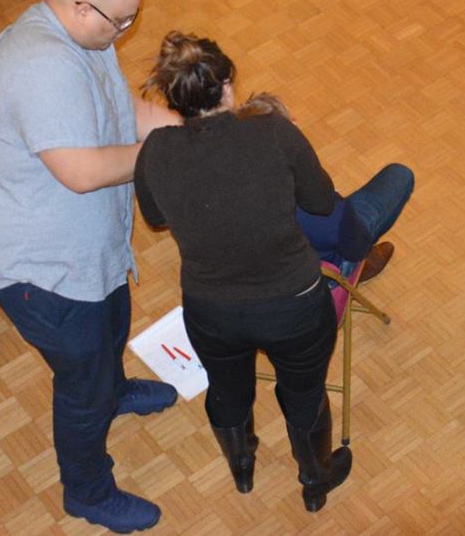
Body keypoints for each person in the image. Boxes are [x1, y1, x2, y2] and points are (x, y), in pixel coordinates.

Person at [0, 0, 179, 533]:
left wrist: (195, 130)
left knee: (113, 324)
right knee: (81, 385)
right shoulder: (43, 67)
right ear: (82, 7)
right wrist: (167, 155)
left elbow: (127, 110)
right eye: (120, 22)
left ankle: (115, 389)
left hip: (84, 247)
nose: (124, 33)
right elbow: (81, 172)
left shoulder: (88, 36)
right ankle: (87, 492)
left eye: (131, 21)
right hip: (39, 268)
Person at [135, 33, 369, 510]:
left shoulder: (156, 149)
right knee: (304, 392)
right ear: (226, 86)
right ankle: (315, 480)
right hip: (295, 305)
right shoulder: (275, 132)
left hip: (211, 311)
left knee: (227, 391)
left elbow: (155, 216)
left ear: (174, 100)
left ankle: (242, 468)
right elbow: (321, 202)